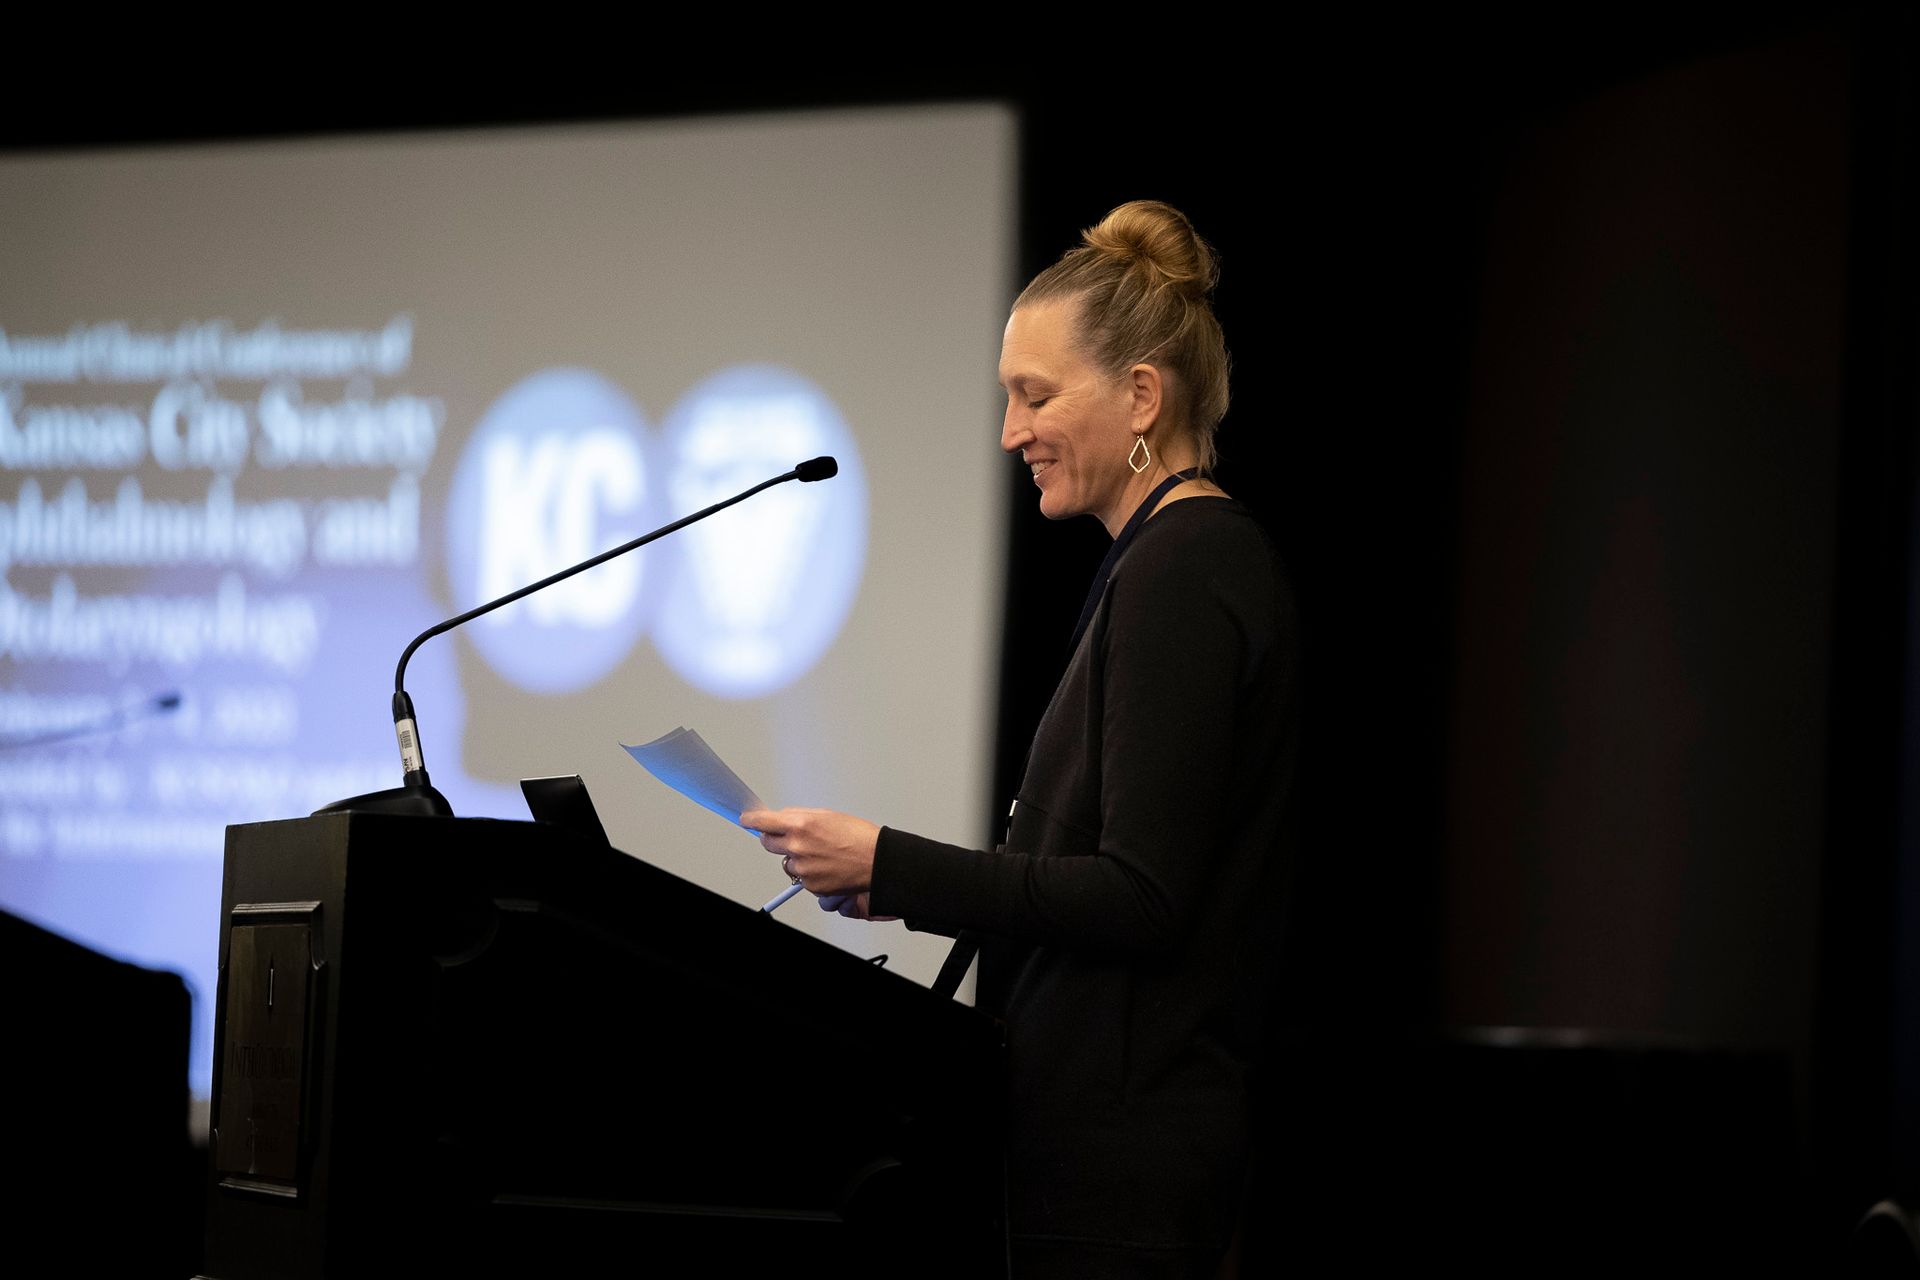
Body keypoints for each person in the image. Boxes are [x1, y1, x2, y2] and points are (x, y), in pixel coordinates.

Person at [741, 200, 1298, 1279]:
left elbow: (1142, 896)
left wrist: (892, 862)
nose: (1010, 432)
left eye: (1035, 395)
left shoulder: (1186, 570)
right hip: (1102, 1157)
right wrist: (891, 880)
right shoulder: (1168, 560)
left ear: (1142, 395)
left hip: (1117, 1178)